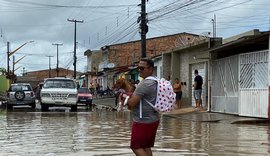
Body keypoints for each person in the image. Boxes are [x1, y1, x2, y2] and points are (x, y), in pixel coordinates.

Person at [126, 58, 159, 156]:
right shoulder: (155, 81)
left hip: (143, 121)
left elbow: (132, 103)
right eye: (138, 68)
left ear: (151, 69)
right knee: (146, 146)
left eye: (142, 68)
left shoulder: (144, 84)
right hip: (154, 119)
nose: (139, 70)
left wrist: (126, 99)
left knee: (136, 147)